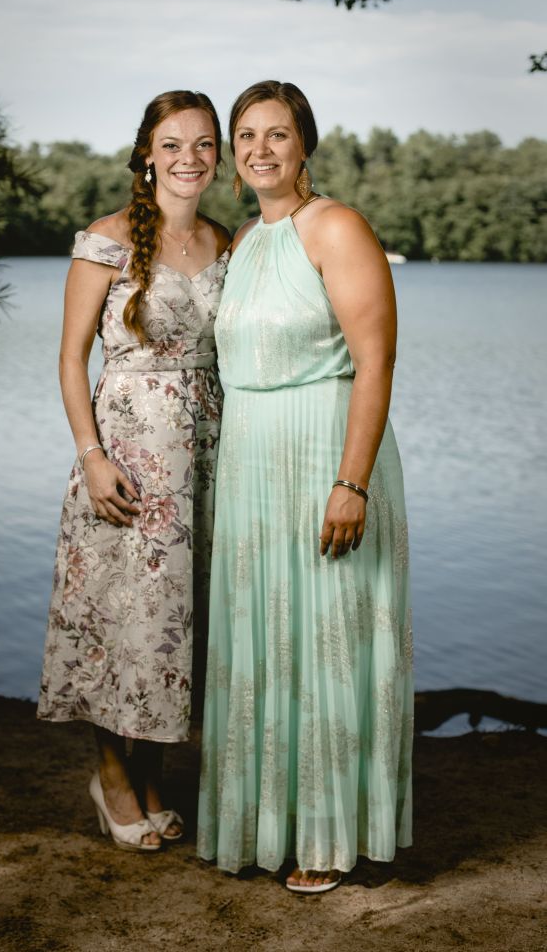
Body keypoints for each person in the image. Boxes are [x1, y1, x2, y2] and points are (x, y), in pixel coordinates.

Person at [197, 81, 413, 892]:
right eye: (246, 135)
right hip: (251, 461)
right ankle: (266, 825)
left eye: (277, 134)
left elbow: (375, 363)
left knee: (326, 638)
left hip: (325, 452)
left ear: (304, 145)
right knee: (261, 638)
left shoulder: (336, 226)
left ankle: (328, 836)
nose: (260, 149)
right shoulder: (245, 239)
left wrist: (350, 482)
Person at [37, 90, 230, 853]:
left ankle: (150, 775)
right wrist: (93, 458)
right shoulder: (107, 240)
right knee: (119, 622)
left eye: (203, 144)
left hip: (204, 461)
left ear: (217, 157)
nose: (189, 158)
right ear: (147, 153)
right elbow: (69, 358)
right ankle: (112, 776)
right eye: (172, 143)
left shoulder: (224, 241)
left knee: (170, 626)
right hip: (128, 457)